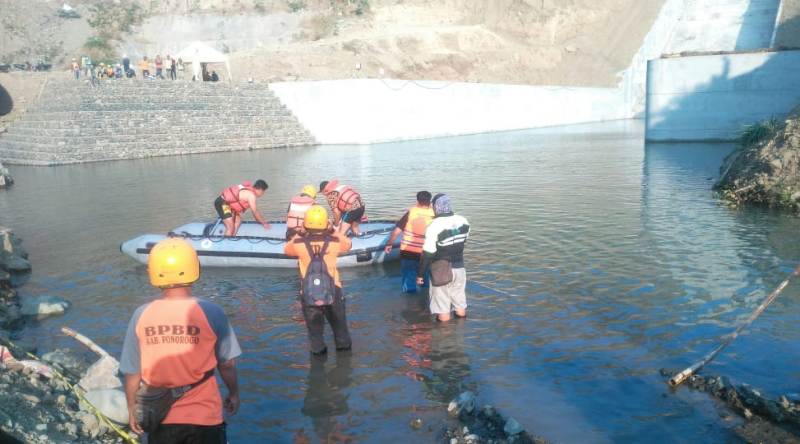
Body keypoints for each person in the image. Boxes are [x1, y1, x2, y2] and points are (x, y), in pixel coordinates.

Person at [120, 238, 241, 443]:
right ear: (195, 268)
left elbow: (132, 372)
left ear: (154, 272)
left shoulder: (141, 315)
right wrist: (234, 393)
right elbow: (227, 364)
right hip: (205, 417)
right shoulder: (211, 312)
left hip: (160, 417)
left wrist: (132, 408)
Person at [284, 205, 353, 355]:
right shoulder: (335, 242)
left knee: (315, 335)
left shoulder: (297, 244)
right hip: (334, 289)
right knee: (341, 330)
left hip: (308, 293)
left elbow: (286, 250)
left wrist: (300, 232)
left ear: (306, 223)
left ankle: (318, 361)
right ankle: (344, 359)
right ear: (325, 223)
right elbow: (348, 245)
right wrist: (333, 229)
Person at [417, 194, 470, 322]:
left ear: (436, 207)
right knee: (460, 305)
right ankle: (460, 336)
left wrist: (420, 274)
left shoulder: (434, 225)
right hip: (460, 268)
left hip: (441, 271)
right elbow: (463, 241)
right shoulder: (464, 220)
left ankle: (444, 339)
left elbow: (428, 253)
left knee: (443, 310)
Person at [384, 191, 434, 293]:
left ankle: (409, 304)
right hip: (426, 253)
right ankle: (424, 303)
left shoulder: (411, 212)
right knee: (425, 278)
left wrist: (389, 244)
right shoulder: (434, 215)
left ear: (417, 201)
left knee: (408, 277)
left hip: (408, 251)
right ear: (430, 201)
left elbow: (396, 232)